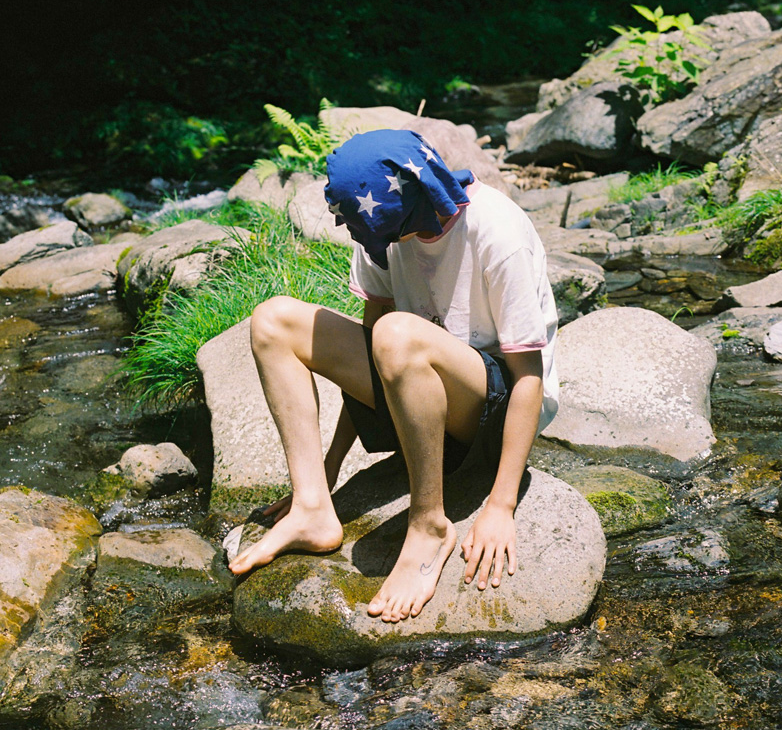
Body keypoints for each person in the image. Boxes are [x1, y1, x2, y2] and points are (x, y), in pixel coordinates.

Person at [226, 128, 560, 624]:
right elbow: (369, 358)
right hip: (413, 386)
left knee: (397, 332)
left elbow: (529, 378)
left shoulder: (497, 233)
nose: (359, 238)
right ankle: (312, 508)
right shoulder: (383, 233)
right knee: (275, 320)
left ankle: (429, 525)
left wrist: (501, 505)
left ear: (405, 203)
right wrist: (332, 466)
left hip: (495, 407)